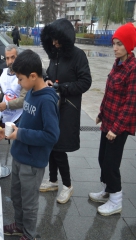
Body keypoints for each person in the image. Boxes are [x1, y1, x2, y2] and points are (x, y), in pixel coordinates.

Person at [0, 49, 60, 240]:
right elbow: (28, 119)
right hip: (19, 153)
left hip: (32, 162)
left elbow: (51, 135)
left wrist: (20, 133)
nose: (19, 83)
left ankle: (29, 235)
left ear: (33, 76)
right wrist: (13, 129)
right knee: (16, 196)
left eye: (20, 79)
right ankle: (20, 226)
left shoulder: (47, 101)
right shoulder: (31, 91)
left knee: (29, 203)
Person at [39, 18, 92, 204]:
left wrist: (63, 87)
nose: (54, 43)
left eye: (57, 39)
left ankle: (67, 185)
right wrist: (47, 79)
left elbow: (86, 82)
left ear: (66, 37)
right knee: (52, 144)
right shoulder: (56, 54)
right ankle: (53, 180)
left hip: (68, 108)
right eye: (52, 39)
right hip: (54, 106)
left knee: (59, 147)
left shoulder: (78, 56)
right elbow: (49, 74)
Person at [89, 23, 136, 216]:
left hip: (119, 126)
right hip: (108, 121)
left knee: (111, 163)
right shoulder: (117, 63)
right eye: (114, 43)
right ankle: (108, 190)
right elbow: (109, 93)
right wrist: (101, 113)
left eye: (119, 44)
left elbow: (130, 104)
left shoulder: (133, 69)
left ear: (129, 45)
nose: (115, 48)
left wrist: (116, 128)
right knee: (102, 158)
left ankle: (116, 200)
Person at [0, 44, 27, 128]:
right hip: (4, 113)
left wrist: (6, 105)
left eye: (13, 57)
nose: (10, 61)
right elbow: (1, 94)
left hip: (19, 116)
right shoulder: (3, 73)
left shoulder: (24, 74)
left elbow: (24, 99)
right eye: (7, 58)